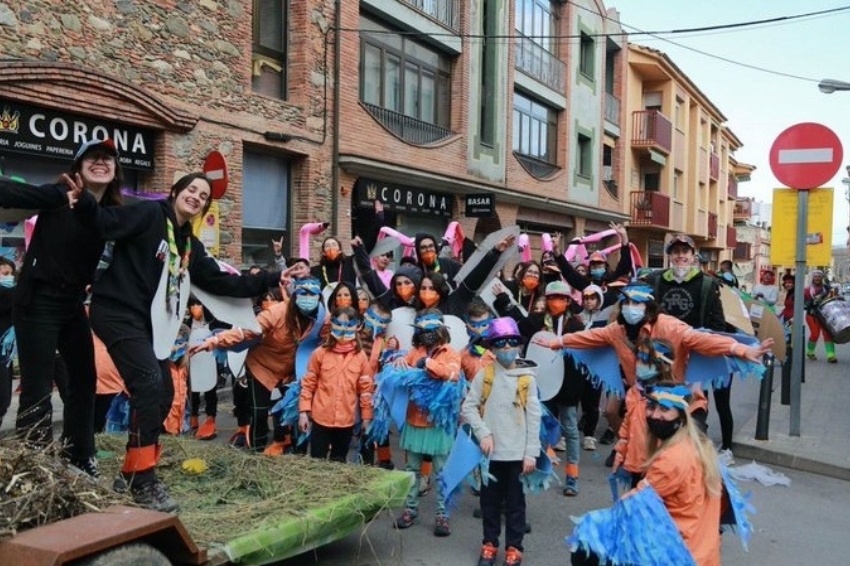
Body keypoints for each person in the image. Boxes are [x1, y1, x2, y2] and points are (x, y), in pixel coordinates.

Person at [71, 172, 286, 512]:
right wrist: (84, 201)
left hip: (149, 324)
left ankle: (133, 472)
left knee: (166, 393)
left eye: (203, 196)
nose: (197, 197)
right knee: (148, 383)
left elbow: (220, 283)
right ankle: (142, 481)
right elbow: (105, 222)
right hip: (115, 311)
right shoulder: (149, 214)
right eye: (192, 190)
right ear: (175, 192)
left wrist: (273, 277)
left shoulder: (189, 245)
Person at [0, 138, 124, 478]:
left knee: (84, 381)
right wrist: (57, 195)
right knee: (38, 388)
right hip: (37, 301)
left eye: (108, 159)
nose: (101, 162)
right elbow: (6, 194)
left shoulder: (111, 215)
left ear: (115, 172)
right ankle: (31, 466)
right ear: (78, 167)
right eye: (93, 157)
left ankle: (79, 456)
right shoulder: (57, 196)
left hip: (71, 305)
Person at [570, 383, 723, 566]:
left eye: (665, 409)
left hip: (680, 555)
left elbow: (631, 507)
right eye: (651, 406)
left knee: (587, 543)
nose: (655, 414)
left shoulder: (672, 458)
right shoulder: (699, 446)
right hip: (702, 553)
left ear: (681, 418)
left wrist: (590, 528)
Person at [461, 317, 541, 566]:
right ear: (492, 348)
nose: (506, 348)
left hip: (517, 455)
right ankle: (489, 544)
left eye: (511, 343)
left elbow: (534, 418)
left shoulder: (527, 378)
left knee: (516, 505)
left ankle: (514, 547)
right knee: (489, 503)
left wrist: (531, 453)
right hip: (490, 455)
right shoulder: (484, 376)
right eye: (501, 344)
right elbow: (469, 407)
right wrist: (483, 433)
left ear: (519, 345)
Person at [393, 309, 461, 537]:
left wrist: (428, 363)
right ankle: (410, 510)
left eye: (432, 329)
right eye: (424, 330)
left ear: (441, 329)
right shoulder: (414, 352)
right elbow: (402, 375)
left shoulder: (451, 353)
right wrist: (400, 361)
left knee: (442, 470)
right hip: (414, 419)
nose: (428, 334)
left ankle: (443, 515)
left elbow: (453, 375)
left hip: (438, 423)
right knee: (412, 469)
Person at [298, 306, 373, 462]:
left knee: (338, 461)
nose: (344, 331)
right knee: (316, 461)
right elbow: (308, 384)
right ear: (332, 324)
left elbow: (366, 390)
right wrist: (303, 412)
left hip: (346, 420)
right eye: (340, 325)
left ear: (357, 326)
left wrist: (366, 416)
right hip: (321, 418)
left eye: (349, 325)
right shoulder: (320, 353)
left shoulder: (360, 357)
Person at [804, 269, 837, 363]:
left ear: (822, 278)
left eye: (819, 276)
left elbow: (834, 298)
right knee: (815, 334)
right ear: (813, 278)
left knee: (827, 334)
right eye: (815, 276)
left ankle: (831, 355)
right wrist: (810, 303)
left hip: (825, 315)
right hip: (812, 315)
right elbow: (803, 303)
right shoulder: (807, 289)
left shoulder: (827, 288)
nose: (817, 278)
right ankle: (810, 352)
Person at [0, 257, 16, 429]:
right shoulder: (8, 293)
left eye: (11, 274)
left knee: (4, 401)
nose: (9, 277)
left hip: (6, 355)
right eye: (5, 273)